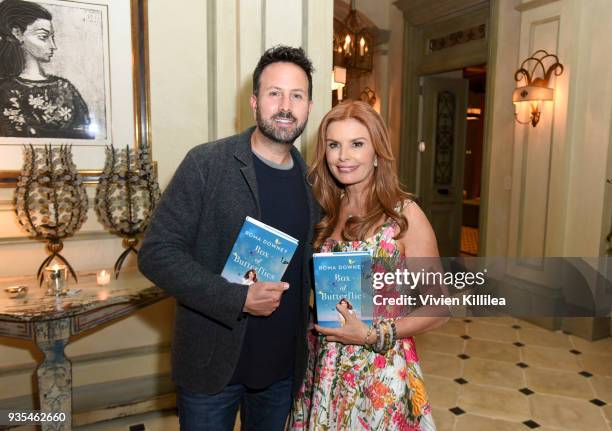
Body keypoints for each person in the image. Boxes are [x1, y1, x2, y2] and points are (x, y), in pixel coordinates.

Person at [138, 45, 319, 431]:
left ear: (308, 106)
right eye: (275, 93)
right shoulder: (206, 164)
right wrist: (238, 298)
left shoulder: (315, 183)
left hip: (281, 370)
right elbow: (156, 254)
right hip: (210, 370)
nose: (285, 105)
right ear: (255, 101)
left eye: (297, 95)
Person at [290, 101, 448, 430]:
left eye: (357, 144)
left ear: (377, 152)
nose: (343, 156)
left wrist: (373, 334)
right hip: (323, 365)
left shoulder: (403, 215)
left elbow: (440, 306)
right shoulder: (325, 210)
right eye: (334, 145)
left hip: (379, 372)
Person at [0, 0, 93, 138]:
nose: (53, 46)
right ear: (17, 33)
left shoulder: (65, 87)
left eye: (52, 37)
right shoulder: (5, 90)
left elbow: (86, 134)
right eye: (43, 37)